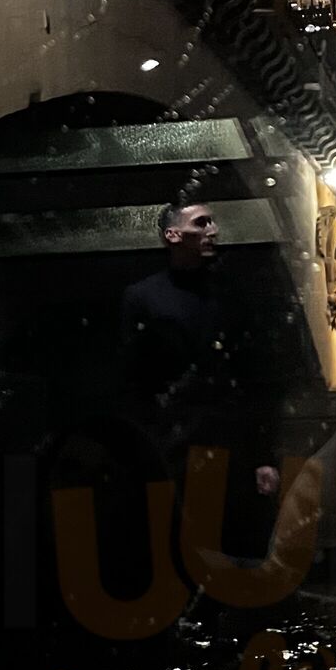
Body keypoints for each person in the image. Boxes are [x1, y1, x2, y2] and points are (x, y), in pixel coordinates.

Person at [119, 203, 280, 505]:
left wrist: (262, 456)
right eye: (201, 223)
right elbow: (134, 383)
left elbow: (251, 376)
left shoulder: (230, 296)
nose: (213, 231)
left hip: (227, 444)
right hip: (173, 446)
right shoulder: (143, 297)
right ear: (173, 234)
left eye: (211, 222)